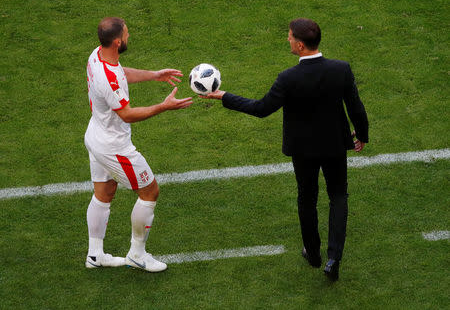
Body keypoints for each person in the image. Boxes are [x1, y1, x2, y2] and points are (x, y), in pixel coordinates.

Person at [201, 18, 368, 281]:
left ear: (300, 45)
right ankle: (333, 258)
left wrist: (225, 97)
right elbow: (356, 108)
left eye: (289, 37)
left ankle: (313, 253)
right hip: (335, 145)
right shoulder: (341, 69)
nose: (287, 40)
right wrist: (363, 135)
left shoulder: (289, 78)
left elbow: (261, 109)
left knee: (307, 198)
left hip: (302, 150)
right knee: (338, 197)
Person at [84, 17, 193, 272]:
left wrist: (154, 75)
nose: (129, 36)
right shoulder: (108, 78)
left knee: (104, 193)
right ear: (118, 41)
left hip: (96, 135)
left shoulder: (97, 55)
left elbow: (120, 74)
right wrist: (164, 107)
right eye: (127, 33)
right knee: (150, 192)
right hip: (114, 146)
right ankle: (137, 253)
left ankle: (95, 254)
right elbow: (127, 114)